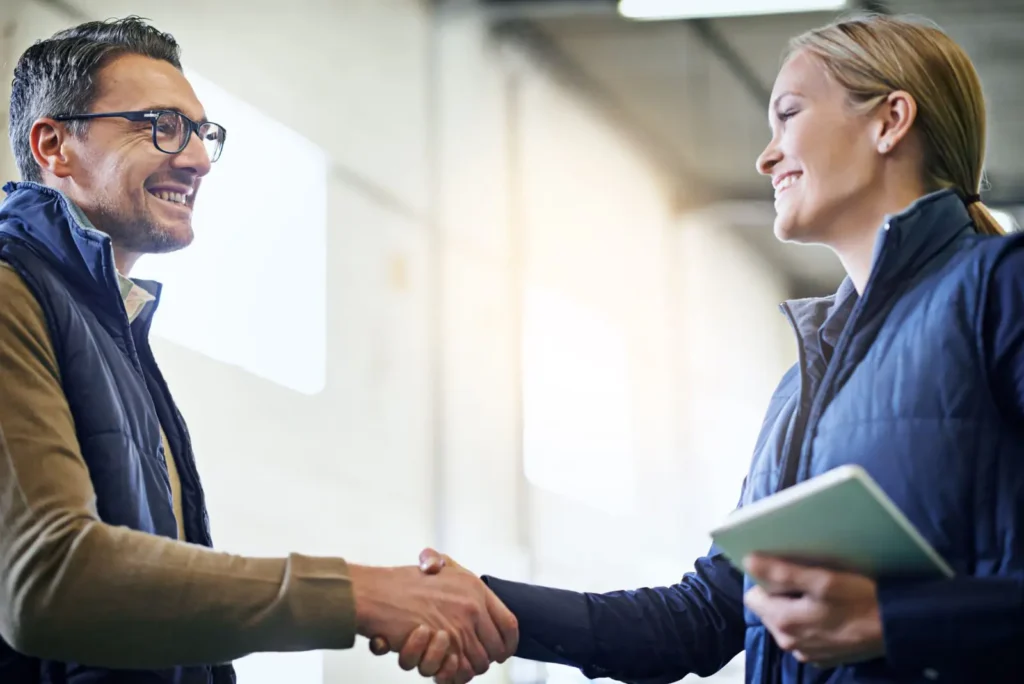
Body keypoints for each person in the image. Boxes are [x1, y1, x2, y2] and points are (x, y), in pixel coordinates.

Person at [392, 13, 1024, 684]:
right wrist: (484, 605)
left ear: (891, 120)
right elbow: (704, 618)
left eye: (788, 115)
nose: (766, 155)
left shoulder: (1001, 287)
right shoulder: (802, 385)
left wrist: (896, 620)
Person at [0, 17, 516, 684]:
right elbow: (50, 580)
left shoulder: (111, 329)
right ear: (55, 146)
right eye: (160, 125)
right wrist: (360, 595)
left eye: (203, 134)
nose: (197, 159)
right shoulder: (13, 294)